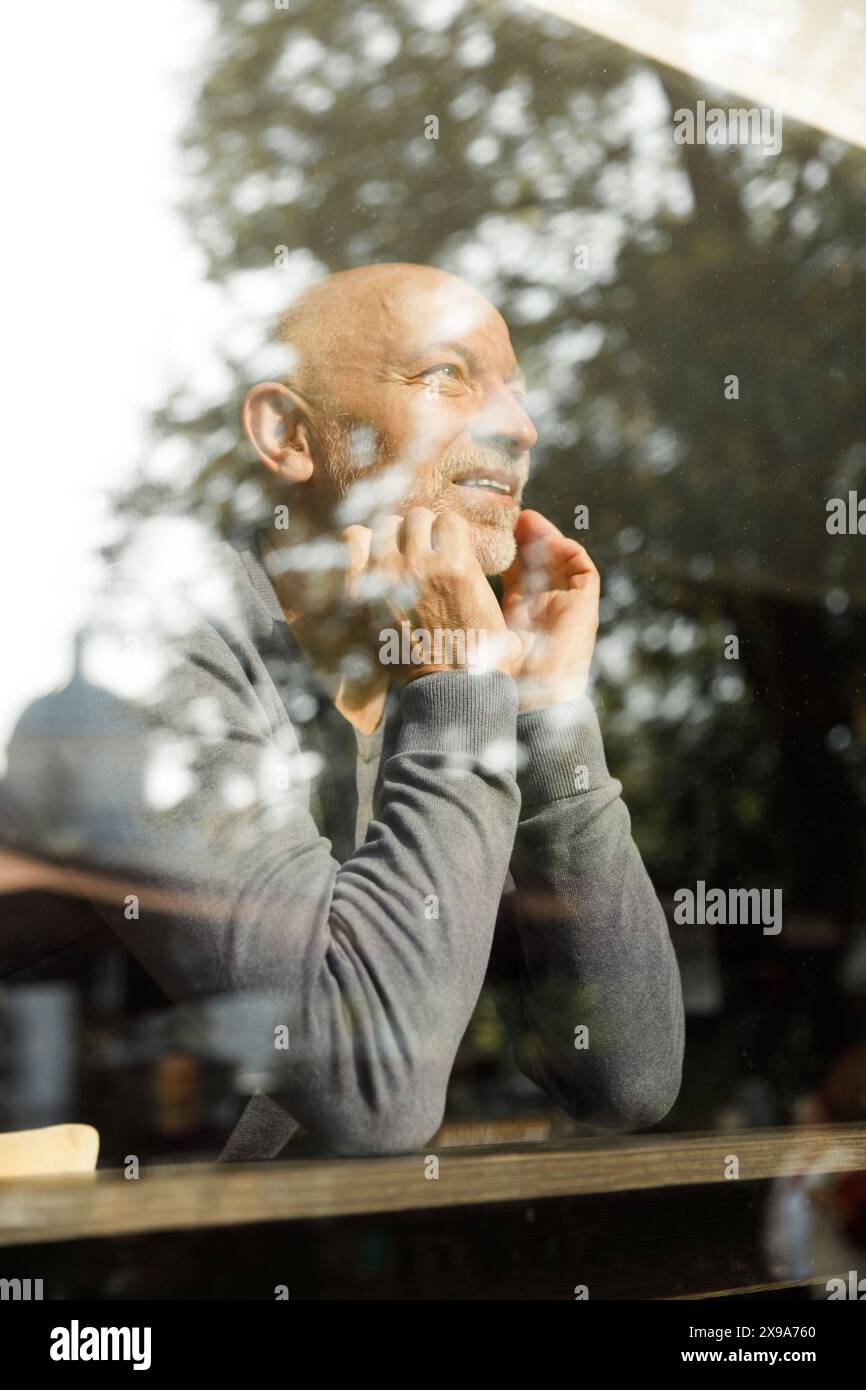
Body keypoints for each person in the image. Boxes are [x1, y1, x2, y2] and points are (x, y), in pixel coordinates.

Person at [1, 263, 684, 1160]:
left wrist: (549, 715)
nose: (518, 428)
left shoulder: (415, 702)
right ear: (287, 434)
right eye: (447, 375)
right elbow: (372, 1094)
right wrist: (457, 680)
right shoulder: (150, 671)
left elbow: (627, 1080)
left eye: (515, 392)